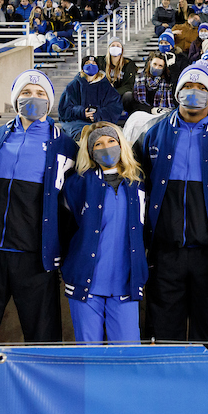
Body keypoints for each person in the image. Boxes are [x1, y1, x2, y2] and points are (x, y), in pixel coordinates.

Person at [0, 70, 77, 343]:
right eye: (26, 93)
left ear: (49, 102)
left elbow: (72, 205)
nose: (32, 98)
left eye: (40, 94)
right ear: (15, 99)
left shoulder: (65, 145)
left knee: (42, 337)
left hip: (35, 257)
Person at [137, 61, 208, 343]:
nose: (193, 93)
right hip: (165, 254)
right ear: (177, 91)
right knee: (165, 333)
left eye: (200, 88)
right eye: (187, 87)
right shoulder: (153, 133)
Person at [62, 122, 148, 344]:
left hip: (125, 283)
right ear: (90, 151)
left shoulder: (137, 183)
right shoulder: (77, 183)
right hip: (86, 283)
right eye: (98, 144)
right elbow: (67, 227)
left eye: (111, 141)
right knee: (90, 355)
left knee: (128, 353)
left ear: (121, 144)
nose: (106, 147)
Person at [58, 55, 124, 140]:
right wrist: (82, 112)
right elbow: (64, 109)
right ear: (82, 67)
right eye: (87, 63)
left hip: (101, 122)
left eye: (94, 63)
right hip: (77, 124)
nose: (91, 65)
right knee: (81, 135)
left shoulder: (106, 87)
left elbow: (115, 107)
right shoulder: (73, 85)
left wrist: (99, 114)